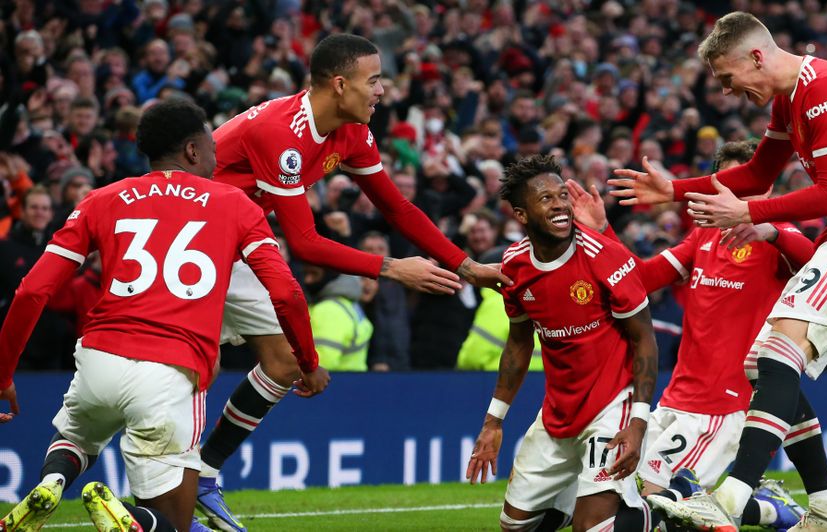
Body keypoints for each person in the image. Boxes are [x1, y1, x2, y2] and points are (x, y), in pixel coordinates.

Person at [609, 12, 827, 531]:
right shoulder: (787, 98)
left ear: (756, 56)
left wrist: (749, 213)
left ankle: (730, 495)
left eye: (728, 78)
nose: (727, 92)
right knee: (763, 364)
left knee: (774, 356)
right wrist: (675, 190)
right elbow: (756, 173)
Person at [198, 33, 511, 530]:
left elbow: (396, 206)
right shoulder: (283, 132)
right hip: (189, 241)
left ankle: (202, 475)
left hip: (234, 241)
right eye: (374, 80)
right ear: (340, 84)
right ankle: (156, 495)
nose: (382, 90)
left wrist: (465, 265)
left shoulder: (351, 131)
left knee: (281, 364)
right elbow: (303, 241)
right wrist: (390, 267)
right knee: (197, 366)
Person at [0, 99, 327, 532]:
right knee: (172, 522)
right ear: (193, 151)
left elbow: (31, 290)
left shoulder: (101, 199)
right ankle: (130, 519)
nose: (216, 155)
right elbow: (285, 293)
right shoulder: (235, 204)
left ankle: (54, 480)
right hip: (171, 371)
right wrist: (307, 361)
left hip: (99, 357)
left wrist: (4, 373)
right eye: (212, 144)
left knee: (76, 435)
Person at [569, 140, 811, 531]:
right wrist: (603, 231)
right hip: (676, 398)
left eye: (748, 185)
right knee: (627, 495)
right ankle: (764, 506)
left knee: (657, 507)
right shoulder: (703, 237)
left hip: (723, 408)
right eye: (729, 184)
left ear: (767, 189)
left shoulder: (777, 236)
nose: (738, 194)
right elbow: (642, 279)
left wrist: (770, 232)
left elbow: (817, 261)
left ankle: (763, 507)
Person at [465, 154, 659, 532]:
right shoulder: (515, 266)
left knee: (592, 529)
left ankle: (664, 515)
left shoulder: (605, 257)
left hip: (612, 406)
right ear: (522, 215)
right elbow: (519, 345)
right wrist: (493, 422)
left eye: (562, 196)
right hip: (558, 412)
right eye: (546, 199)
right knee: (515, 526)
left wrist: (638, 421)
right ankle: (577, 497)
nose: (560, 206)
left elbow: (645, 340)